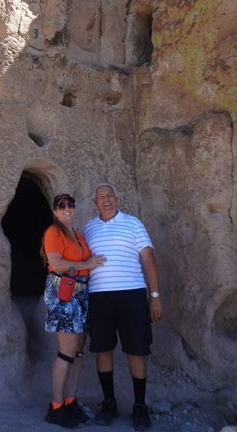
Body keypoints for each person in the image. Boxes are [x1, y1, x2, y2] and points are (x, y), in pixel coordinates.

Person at [83, 184, 164, 431]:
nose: (106, 200)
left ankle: (140, 406)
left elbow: (148, 259)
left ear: (116, 199)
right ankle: (109, 404)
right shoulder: (88, 228)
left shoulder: (133, 223)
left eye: (109, 196)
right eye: (101, 197)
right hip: (98, 297)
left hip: (131, 295)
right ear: (95, 202)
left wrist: (155, 296)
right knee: (103, 350)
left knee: (136, 350)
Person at [42, 192, 107, 429]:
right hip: (63, 293)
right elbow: (56, 263)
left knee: (78, 350)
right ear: (55, 211)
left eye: (70, 204)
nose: (67, 208)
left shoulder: (78, 235)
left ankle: (70, 401)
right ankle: (56, 408)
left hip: (81, 294)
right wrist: (85, 265)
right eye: (62, 206)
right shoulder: (54, 232)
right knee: (66, 350)